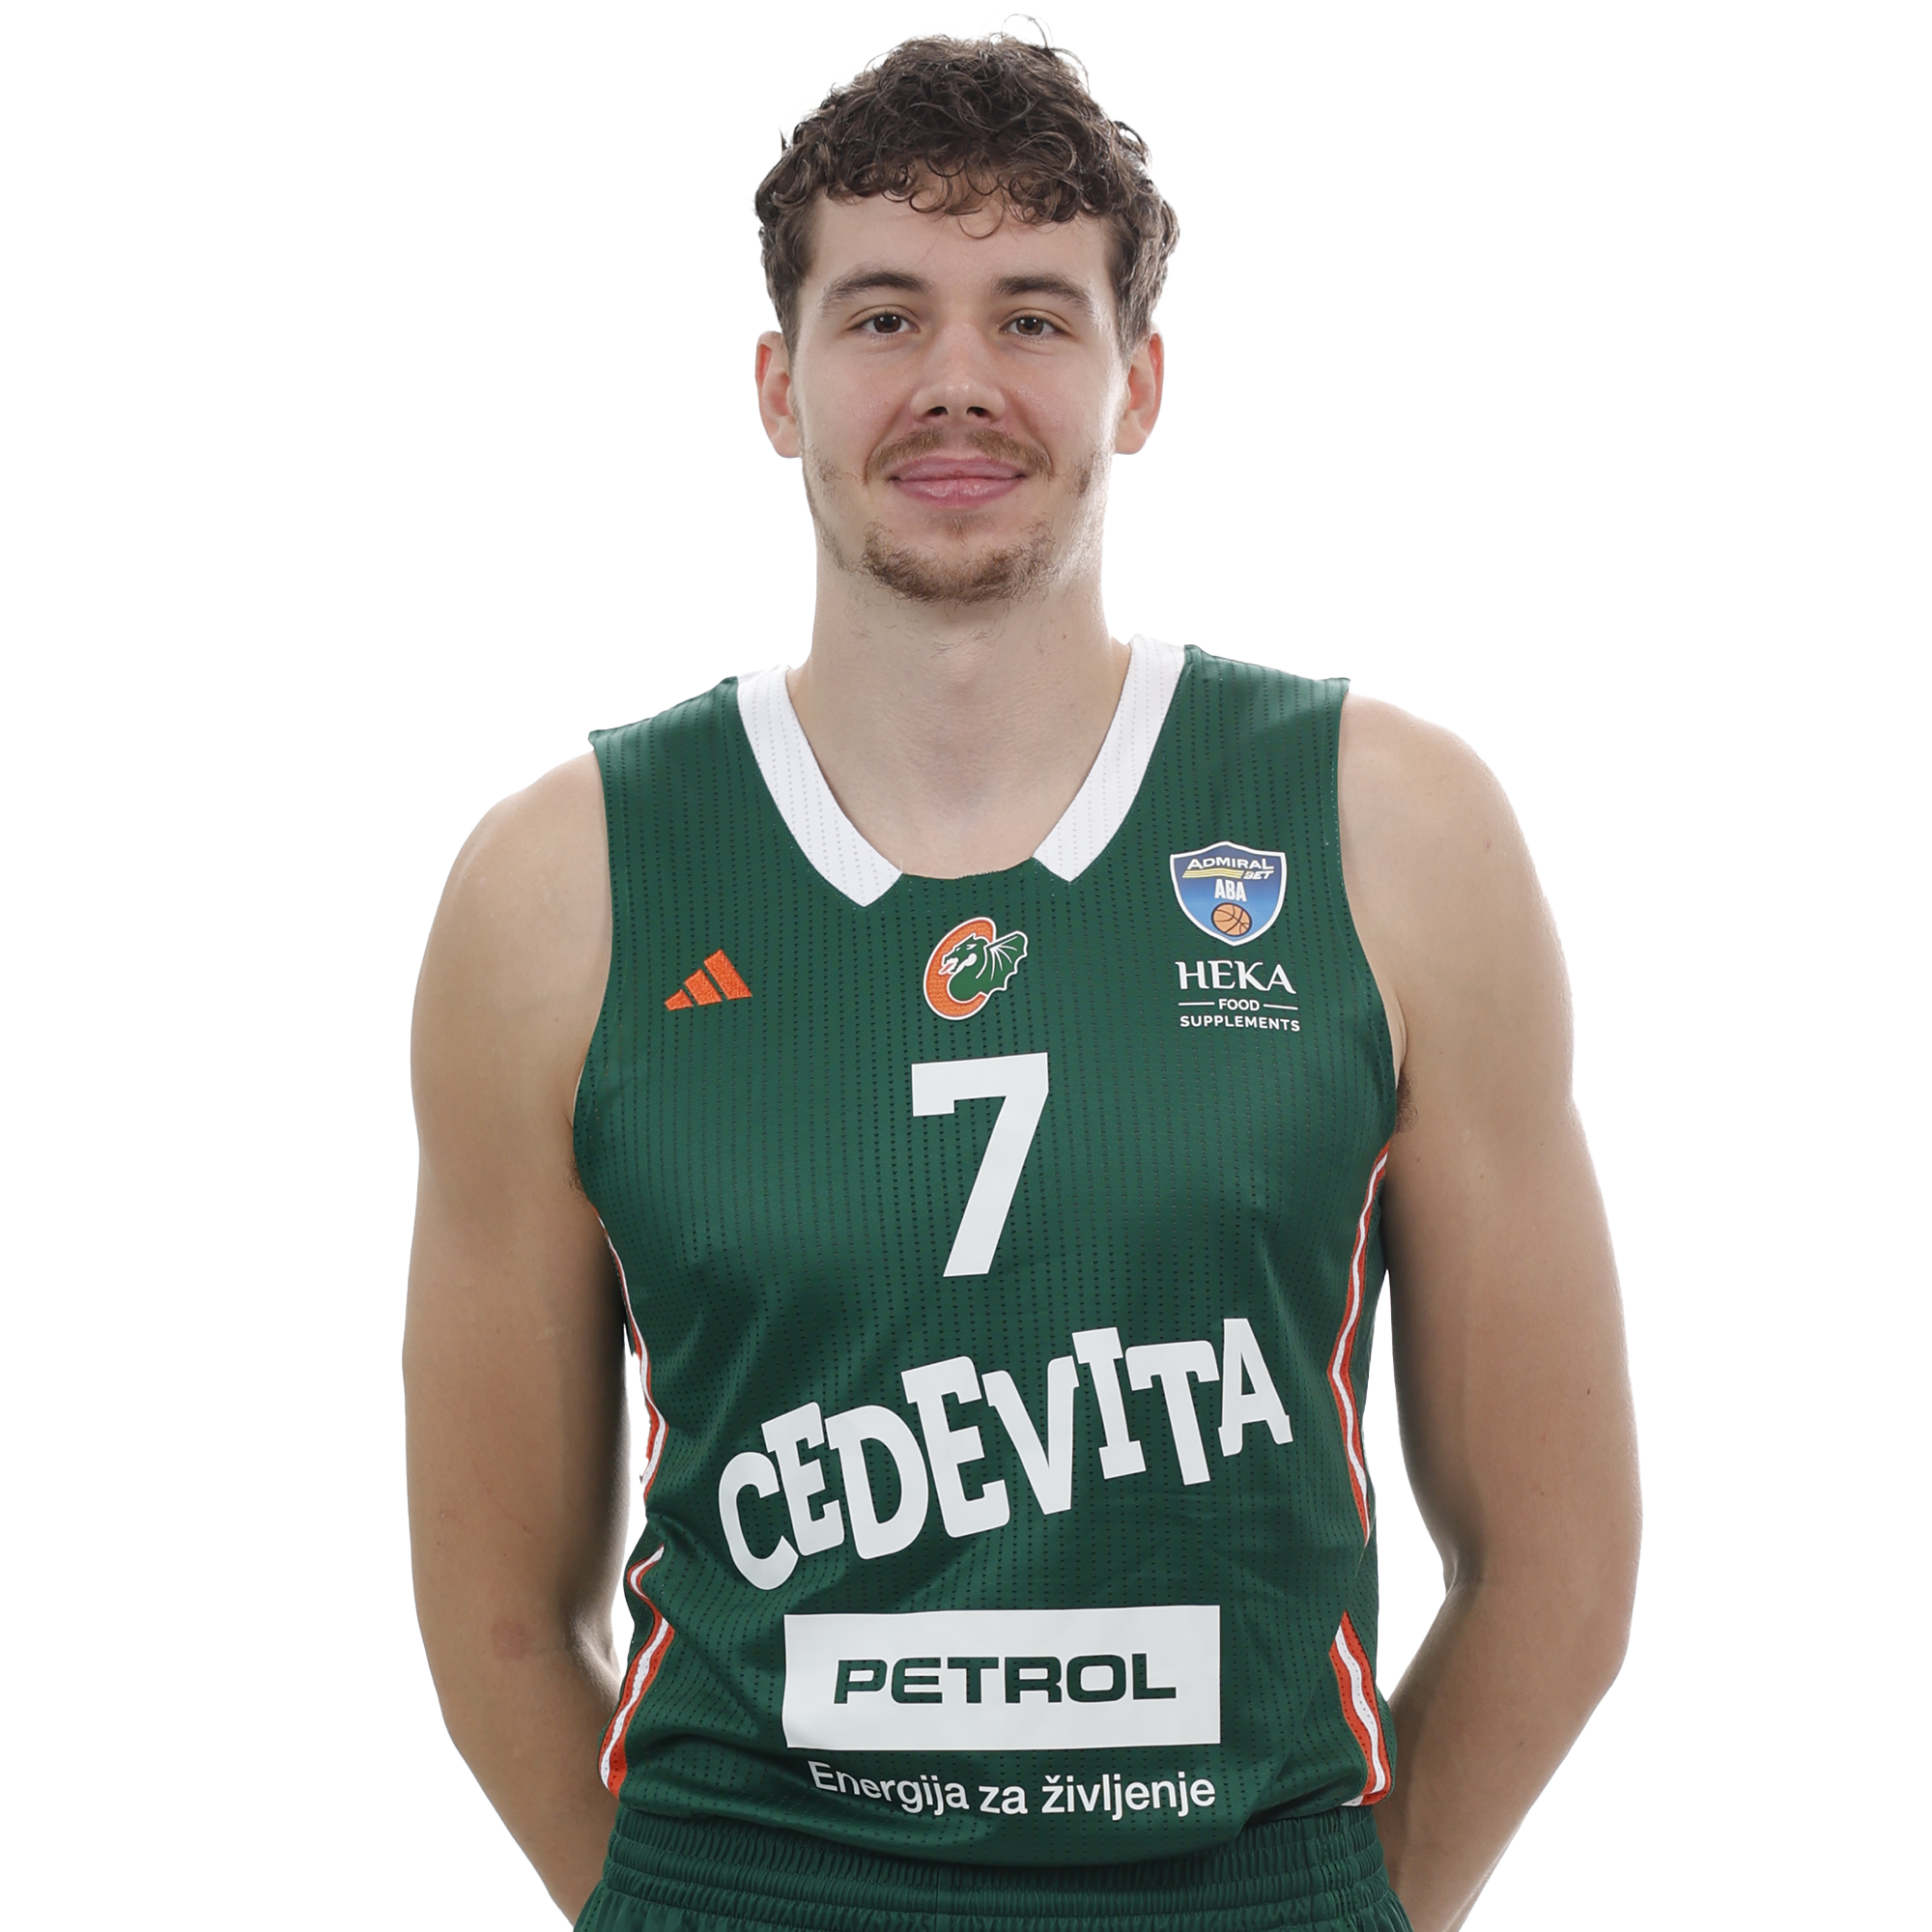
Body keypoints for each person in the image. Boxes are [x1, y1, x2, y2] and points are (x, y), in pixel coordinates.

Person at [404, 28, 1639, 1932]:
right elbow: (496, 1605)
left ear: (1139, 381)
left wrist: (1353, 1906)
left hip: (1244, 1879)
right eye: (885, 315)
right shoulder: (562, 887)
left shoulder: (1385, 831)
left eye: (1034, 318)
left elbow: (1555, 1556)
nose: (959, 380)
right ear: (777, 383)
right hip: (746, 1880)